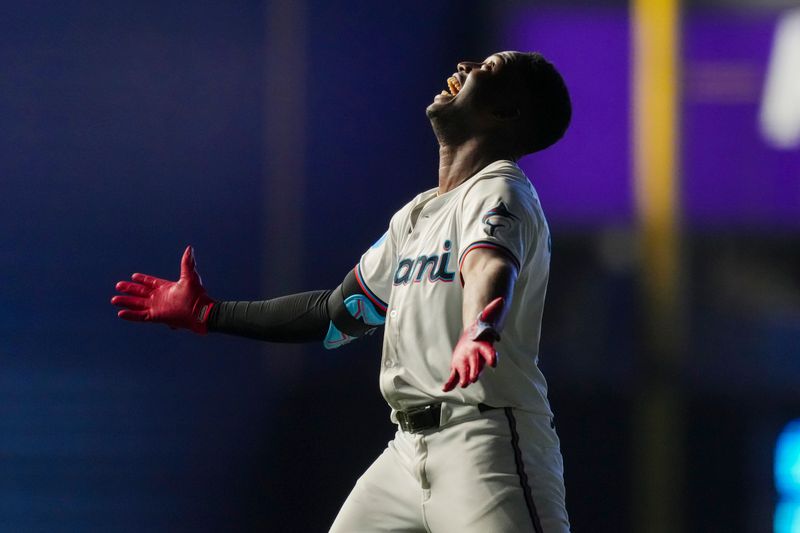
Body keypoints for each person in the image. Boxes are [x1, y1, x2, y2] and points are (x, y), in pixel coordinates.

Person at [112, 50, 572, 532]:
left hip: (485, 442)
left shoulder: (500, 190)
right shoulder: (416, 217)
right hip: (406, 451)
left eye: (489, 69)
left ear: (505, 113)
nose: (466, 66)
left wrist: (480, 325)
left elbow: (489, 262)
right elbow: (334, 314)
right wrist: (209, 312)